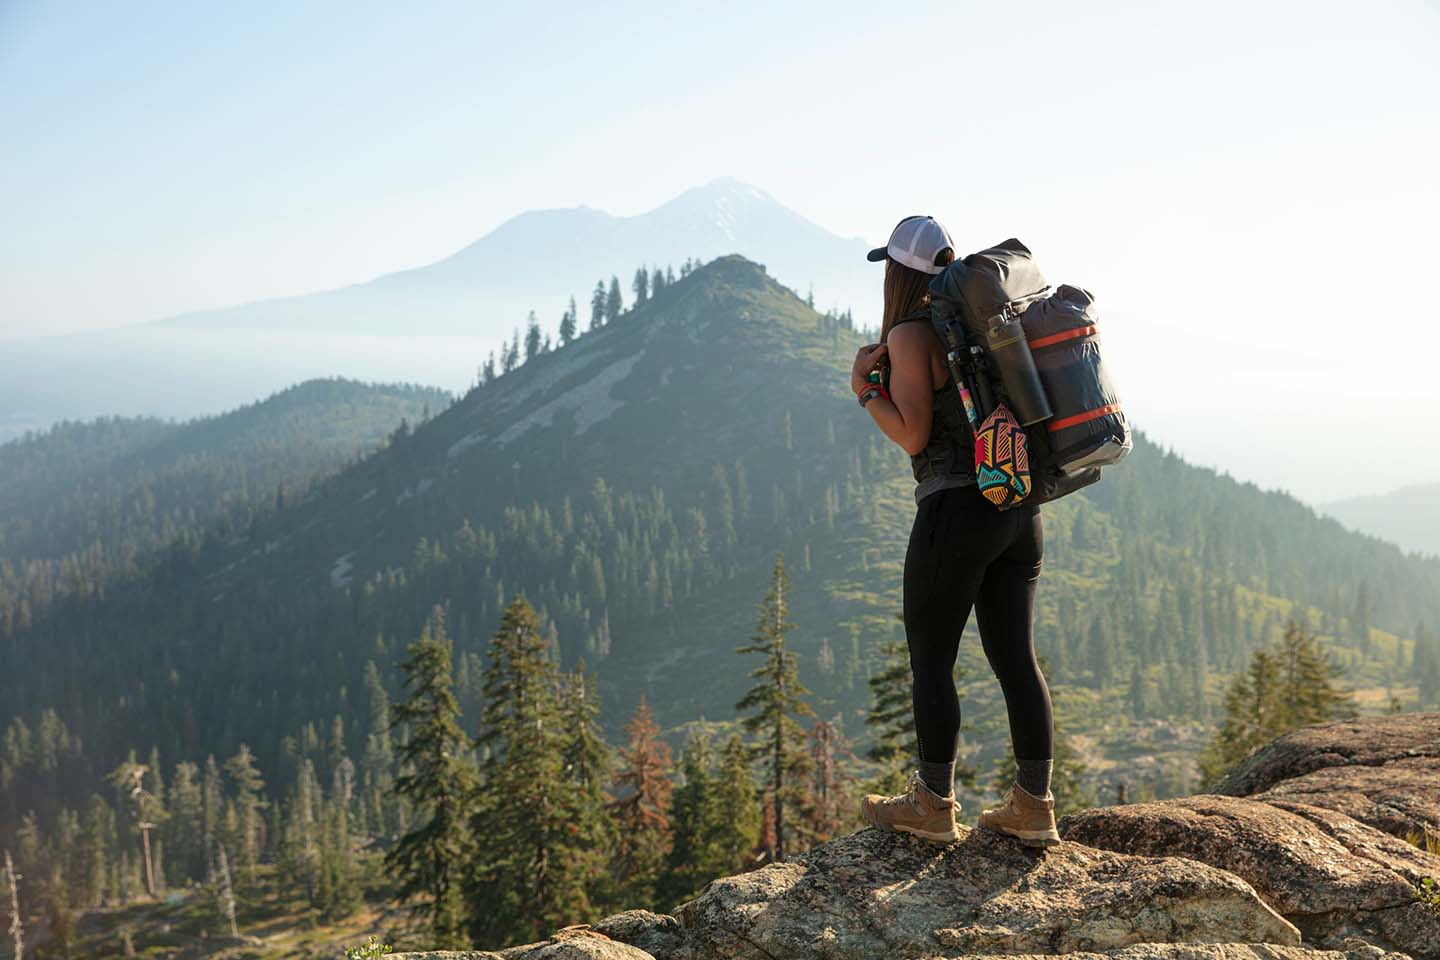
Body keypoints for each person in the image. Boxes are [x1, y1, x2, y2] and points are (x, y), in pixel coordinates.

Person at [853, 215, 1060, 848]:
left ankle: (933, 805)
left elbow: (914, 434)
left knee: (932, 659)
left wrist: (865, 391)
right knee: (1015, 660)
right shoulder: (987, 322)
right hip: (1018, 505)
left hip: (956, 511)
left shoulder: (913, 334)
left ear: (898, 271)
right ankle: (1033, 805)